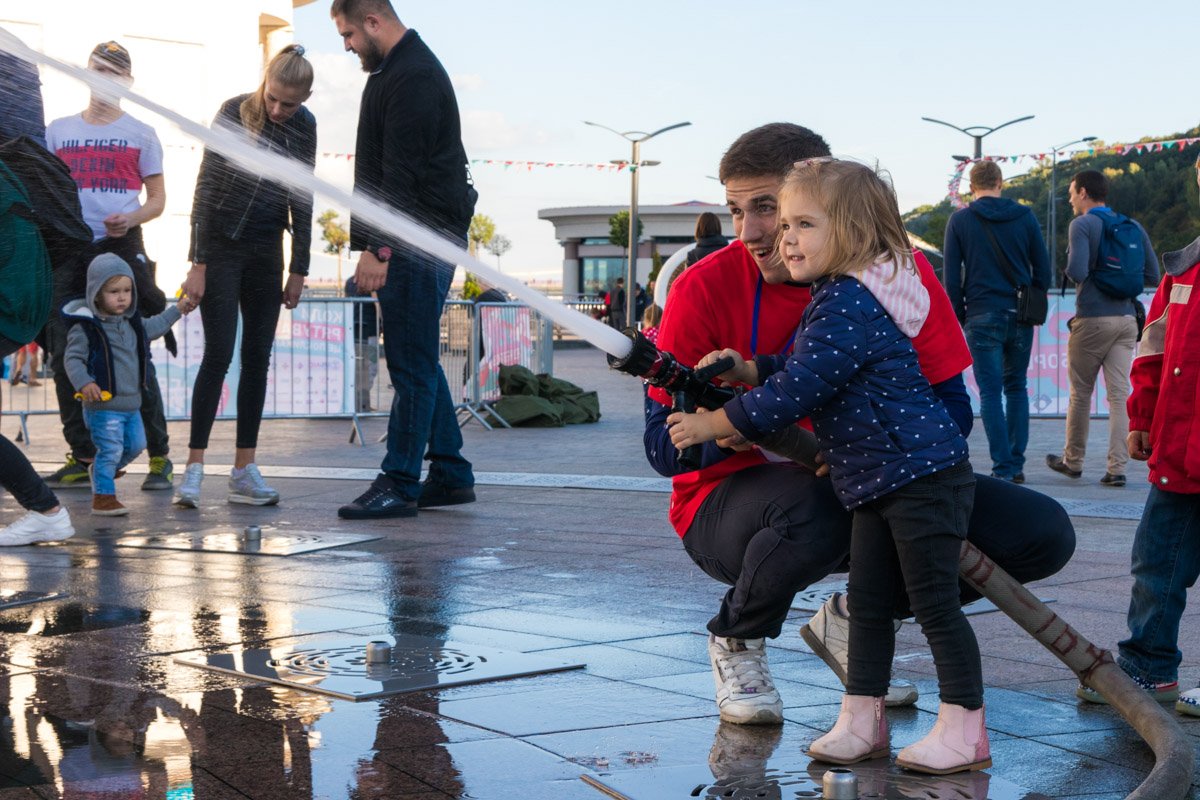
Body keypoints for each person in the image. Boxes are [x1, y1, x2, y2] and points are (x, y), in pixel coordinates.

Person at [643, 122, 1075, 727]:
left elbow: (953, 408)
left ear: (830, 209)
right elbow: (661, 447)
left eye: (773, 210)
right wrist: (725, 431)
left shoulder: (901, 278)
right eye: (737, 211)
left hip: (872, 479)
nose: (754, 234)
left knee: (1041, 531)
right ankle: (737, 635)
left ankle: (857, 618)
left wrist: (856, 441)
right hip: (730, 507)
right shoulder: (700, 289)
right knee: (825, 505)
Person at [670, 159, 987, 775]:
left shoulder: (847, 300)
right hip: (876, 480)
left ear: (852, 232)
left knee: (934, 605)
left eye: (803, 224)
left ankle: (964, 728)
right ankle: (860, 718)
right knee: (867, 604)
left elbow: (799, 390)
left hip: (920, 477)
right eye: (784, 223)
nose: (784, 238)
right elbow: (797, 363)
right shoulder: (838, 297)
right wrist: (749, 365)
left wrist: (715, 423)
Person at [331, 0, 477, 519]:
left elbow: (401, 177)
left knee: (410, 365)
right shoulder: (393, 70)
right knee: (418, 356)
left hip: (419, 238)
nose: (346, 45)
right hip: (419, 235)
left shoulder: (412, 75)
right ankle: (451, 474)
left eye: (349, 33)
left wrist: (380, 249)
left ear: (373, 21)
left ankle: (398, 480)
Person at [1078, 156, 1200, 712]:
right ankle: (1148, 667)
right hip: (1179, 454)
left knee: (1159, 563)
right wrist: (1143, 419)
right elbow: (1153, 352)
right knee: (1155, 564)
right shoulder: (1183, 269)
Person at [174, 45, 317, 509]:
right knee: (217, 355)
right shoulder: (233, 111)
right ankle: (193, 469)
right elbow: (205, 186)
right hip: (220, 249)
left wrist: (299, 267)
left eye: (289, 104)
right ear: (265, 83)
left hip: (266, 252)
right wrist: (197, 261)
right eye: (272, 98)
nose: (278, 110)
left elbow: (304, 196)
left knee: (257, 356)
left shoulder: (306, 125)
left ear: (306, 97)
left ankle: (243, 471)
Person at [43, 41, 175, 492]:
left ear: (127, 82)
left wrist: (132, 217)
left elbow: (157, 200)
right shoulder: (58, 130)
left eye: (114, 73)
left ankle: (159, 457)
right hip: (69, 248)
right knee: (65, 352)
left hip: (121, 246)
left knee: (134, 346)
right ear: (87, 73)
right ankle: (83, 454)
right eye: (98, 69)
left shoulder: (142, 132)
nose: (105, 78)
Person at [1046, 169, 1159, 487]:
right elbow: (1152, 274)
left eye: (1071, 192)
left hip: (1092, 318)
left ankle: (1073, 461)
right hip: (1126, 320)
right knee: (1120, 395)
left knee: (1080, 393)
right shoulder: (1132, 226)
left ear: (1083, 192)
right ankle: (1116, 468)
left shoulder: (1082, 224)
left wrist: (1072, 267)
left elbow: (1079, 271)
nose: (1069, 198)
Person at [942, 161, 1050, 483]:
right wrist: (1032, 300)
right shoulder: (1025, 216)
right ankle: (1016, 464)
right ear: (1001, 182)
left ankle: (1002, 468)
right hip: (1019, 314)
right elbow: (1042, 271)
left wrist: (962, 316)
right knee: (1017, 386)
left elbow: (951, 279)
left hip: (980, 313)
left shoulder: (960, 220)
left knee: (990, 393)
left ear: (971, 187)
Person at [62, 254, 191, 516]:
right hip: (103, 406)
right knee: (110, 449)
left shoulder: (132, 324)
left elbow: (156, 325)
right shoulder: (86, 328)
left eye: (127, 290)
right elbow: (73, 359)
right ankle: (104, 497)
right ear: (96, 293)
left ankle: (100, 471)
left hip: (132, 405)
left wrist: (178, 309)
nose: (122, 297)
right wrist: (84, 382)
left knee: (135, 445)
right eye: (113, 292)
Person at [345, 275, 380, 413]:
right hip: (370, 330)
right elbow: (377, 304)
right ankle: (362, 404)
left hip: (353, 329)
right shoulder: (372, 280)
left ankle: (359, 403)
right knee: (371, 367)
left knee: (358, 368)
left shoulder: (349, 281)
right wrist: (383, 323)